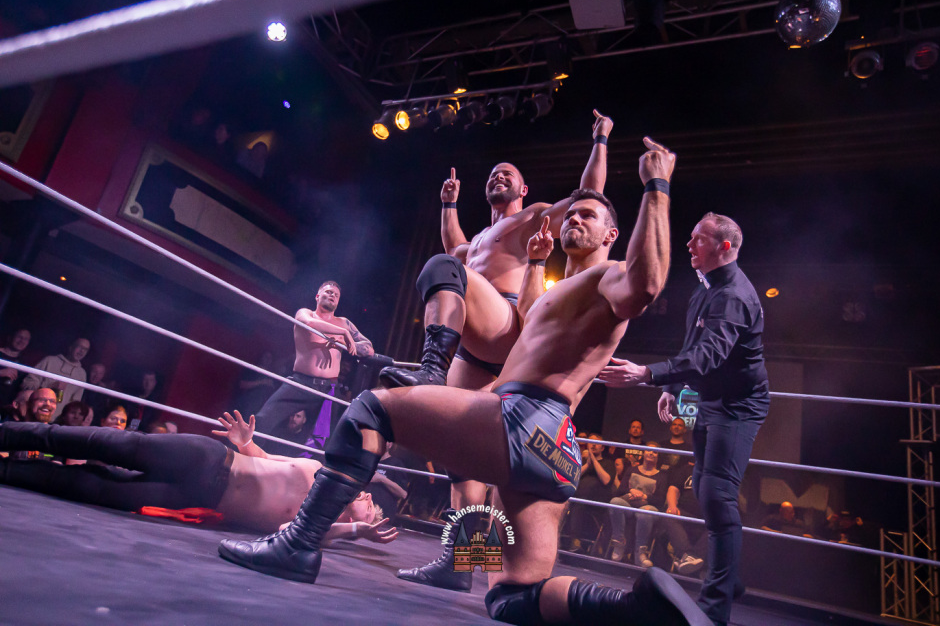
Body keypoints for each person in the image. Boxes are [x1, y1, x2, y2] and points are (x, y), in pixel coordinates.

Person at [219, 139, 711, 625]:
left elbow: (646, 284)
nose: (575, 220)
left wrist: (655, 185)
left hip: (523, 416)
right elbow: (530, 326)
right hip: (554, 449)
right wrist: (536, 263)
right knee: (512, 596)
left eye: (588, 216)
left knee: (372, 408)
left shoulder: (609, 277)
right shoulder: (561, 288)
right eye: (573, 215)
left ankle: (298, 544)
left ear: (611, 235)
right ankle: (635, 607)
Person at [384, 110, 614, 592]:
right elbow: (457, 247)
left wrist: (600, 141)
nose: (498, 176)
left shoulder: (532, 218)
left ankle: (430, 368)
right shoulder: (479, 241)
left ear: (525, 190)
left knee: (446, 270)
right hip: (474, 340)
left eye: (508, 174)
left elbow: (588, 195)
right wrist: (449, 204)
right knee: (461, 455)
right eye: (493, 173)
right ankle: (462, 561)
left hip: (508, 322)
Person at [597, 211, 769, 626]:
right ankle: (730, 578)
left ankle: (716, 607)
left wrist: (647, 374)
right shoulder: (704, 288)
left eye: (699, 239)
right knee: (707, 490)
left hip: (738, 406)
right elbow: (693, 346)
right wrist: (673, 388)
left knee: (717, 495)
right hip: (710, 400)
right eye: (690, 237)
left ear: (724, 247)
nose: (689, 244)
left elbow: (709, 355)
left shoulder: (733, 296)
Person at [0, 413, 397, 542]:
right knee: (108, 443)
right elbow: (268, 459)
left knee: (99, 488)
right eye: (369, 501)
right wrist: (246, 442)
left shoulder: (317, 529)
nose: (367, 503)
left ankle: (7, 470)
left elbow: (286, 531)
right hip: (209, 459)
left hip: (199, 495)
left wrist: (355, 532)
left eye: (370, 511)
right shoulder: (319, 471)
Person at [253, 281, 373, 452]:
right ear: (317, 296)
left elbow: (369, 348)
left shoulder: (344, 322)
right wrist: (342, 333)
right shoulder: (305, 313)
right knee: (263, 419)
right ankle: (244, 458)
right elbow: (308, 323)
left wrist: (343, 342)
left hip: (329, 388)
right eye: (328, 292)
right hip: (301, 382)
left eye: (336, 295)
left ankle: (315, 468)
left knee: (327, 441)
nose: (332, 295)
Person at [607, 442, 670, 566]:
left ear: (658, 456)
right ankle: (619, 542)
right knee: (615, 502)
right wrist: (631, 490)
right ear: (643, 452)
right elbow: (620, 491)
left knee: (644, 513)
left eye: (655, 452)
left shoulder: (662, 476)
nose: (651, 453)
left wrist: (644, 496)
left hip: (648, 508)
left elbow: (660, 500)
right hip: (629, 505)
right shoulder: (632, 470)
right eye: (648, 450)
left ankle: (640, 552)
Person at [22, 337, 91, 420]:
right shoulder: (49, 361)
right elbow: (26, 384)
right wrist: (49, 387)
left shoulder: (82, 374)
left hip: (58, 422)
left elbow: (75, 403)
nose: (82, 351)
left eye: (85, 349)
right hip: (36, 416)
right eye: (79, 347)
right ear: (71, 347)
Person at [566, 433, 613, 553]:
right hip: (577, 498)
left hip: (596, 502)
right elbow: (572, 477)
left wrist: (593, 459)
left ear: (602, 448)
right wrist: (587, 464)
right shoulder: (581, 462)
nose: (593, 445)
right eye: (591, 443)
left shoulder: (608, 463)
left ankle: (575, 540)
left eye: (597, 443)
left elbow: (606, 480)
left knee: (579, 501)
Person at [0, 328, 31, 405]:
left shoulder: (24, 364)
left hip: (6, 406)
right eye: (19, 337)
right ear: (10, 337)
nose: (22, 341)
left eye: (26, 339)